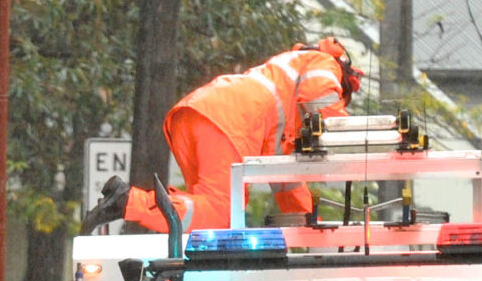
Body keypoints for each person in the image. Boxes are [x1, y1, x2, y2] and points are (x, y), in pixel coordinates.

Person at [83, 37, 363, 234]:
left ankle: (137, 209)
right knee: (224, 214)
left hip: (200, 115)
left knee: (204, 219)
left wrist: (311, 226)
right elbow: (319, 98)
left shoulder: (285, 100)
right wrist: (342, 133)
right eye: (342, 96)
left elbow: (287, 184)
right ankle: (128, 201)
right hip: (228, 121)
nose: (338, 99)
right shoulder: (325, 63)